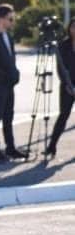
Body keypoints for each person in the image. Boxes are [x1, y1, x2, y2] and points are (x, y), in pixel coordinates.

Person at [0, 3, 27, 161]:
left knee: (9, 116)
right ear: (1, 19)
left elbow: (11, 59)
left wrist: (15, 73)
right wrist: (6, 76)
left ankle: (10, 148)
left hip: (9, 84)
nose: (12, 21)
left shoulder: (8, 36)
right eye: (10, 18)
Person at [46, 18, 75, 158]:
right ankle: (52, 146)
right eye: (73, 27)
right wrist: (67, 85)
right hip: (67, 86)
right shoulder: (63, 45)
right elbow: (60, 68)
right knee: (63, 116)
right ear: (69, 29)